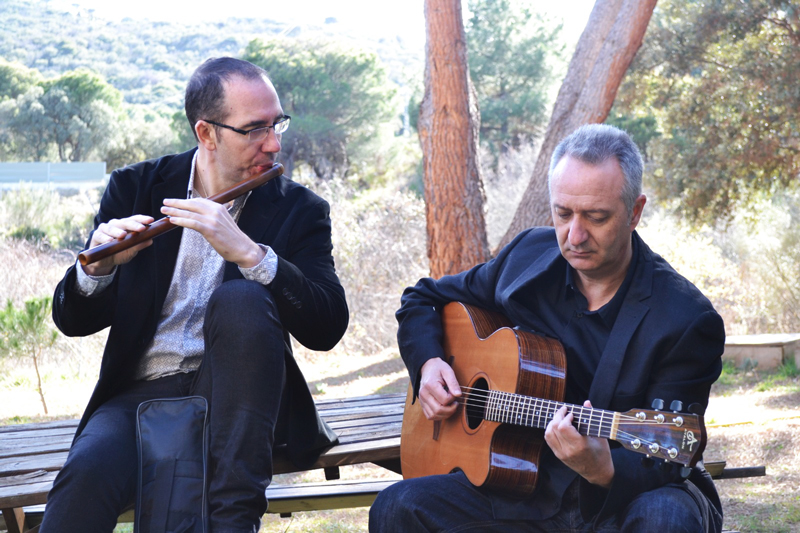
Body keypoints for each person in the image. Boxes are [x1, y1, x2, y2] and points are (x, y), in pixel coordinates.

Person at [43, 57, 348, 533]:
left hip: (240, 397)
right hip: (139, 395)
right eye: (254, 129)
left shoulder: (300, 210)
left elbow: (328, 326)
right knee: (82, 482)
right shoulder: (137, 187)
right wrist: (96, 268)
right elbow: (72, 320)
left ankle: (234, 522)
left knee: (241, 300)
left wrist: (253, 256)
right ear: (206, 133)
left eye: (277, 124)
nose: (273, 143)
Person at [370, 124, 725, 533]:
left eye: (596, 217)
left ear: (635, 212)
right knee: (397, 507)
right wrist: (429, 364)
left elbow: (666, 459)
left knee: (667, 517)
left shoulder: (684, 318)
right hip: (521, 491)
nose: (575, 235)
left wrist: (605, 468)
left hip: (619, 500)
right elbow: (423, 298)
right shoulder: (528, 259)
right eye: (563, 213)